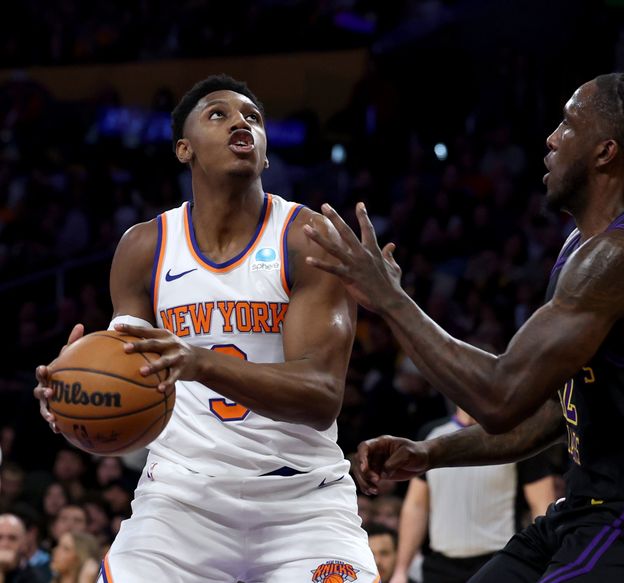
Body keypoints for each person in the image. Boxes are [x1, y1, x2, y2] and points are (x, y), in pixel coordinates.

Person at [304, 72, 624, 581]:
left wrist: (390, 299)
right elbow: (549, 412)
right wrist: (430, 451)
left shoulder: (621, 258)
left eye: (567, 123)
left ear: (605, 152)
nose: (551, 138)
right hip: (592, 504)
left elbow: (500, 398)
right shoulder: (580, 249)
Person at [33, 74, 378, 582]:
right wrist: (76, 392)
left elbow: (321, 395)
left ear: (263, 154)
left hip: (302, 500)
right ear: (183, 148)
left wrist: (198, 362)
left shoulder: (306, 239)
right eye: (218, 114)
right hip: (180, 498)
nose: (241, 122)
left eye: (253, 118)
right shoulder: (144, 247)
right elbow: (126, 376)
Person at [391, 407, 558, 583]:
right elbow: (417, 506)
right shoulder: (431, 434)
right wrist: (401, 569)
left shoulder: (516, 436)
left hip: (499, 559)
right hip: (440, 565)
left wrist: (545, 562)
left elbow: (541, 504)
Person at [0, 513, 46, 583]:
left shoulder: (34, 578)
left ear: (23, 543)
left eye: (12, 538)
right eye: (0, 537)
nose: (5, 544)